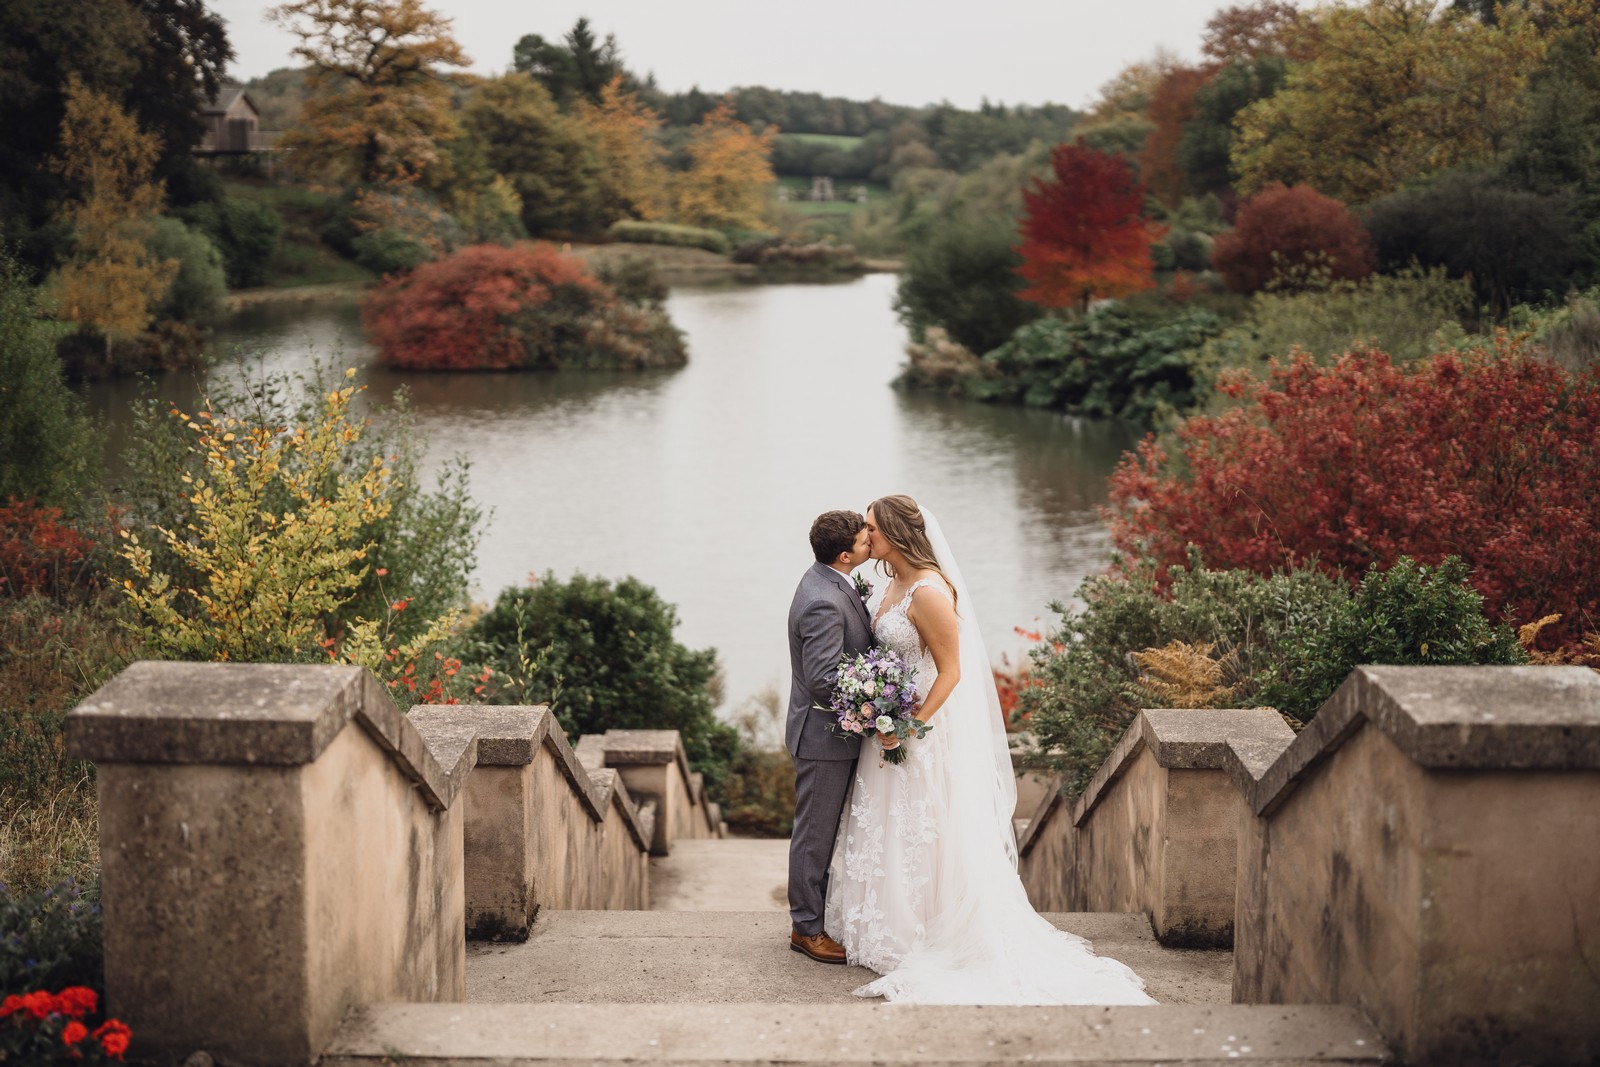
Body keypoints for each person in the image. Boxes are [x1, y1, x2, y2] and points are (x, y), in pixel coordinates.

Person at [824, 494, 1156, 1004]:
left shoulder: (930, 592)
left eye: (871, 529)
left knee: (925, 827)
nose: (864, 538)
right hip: (886, 726)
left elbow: (951, 671)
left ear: (895, 533)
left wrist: (908, 725)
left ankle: (924, 931)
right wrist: (873, 705)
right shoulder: (890, 582)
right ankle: (880, 926)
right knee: (887, 824)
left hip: (917, 732)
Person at [784, 509, 873, 964]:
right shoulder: (822, 598)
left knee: (827, 833)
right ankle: (806, 929)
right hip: (823, 738)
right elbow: (823, 677)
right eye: (864, 539)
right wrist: (879, 694)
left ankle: (820, 917)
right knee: (814, 835)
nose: (871, 542)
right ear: (844, 554)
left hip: (834, 735)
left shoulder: (831, 578)